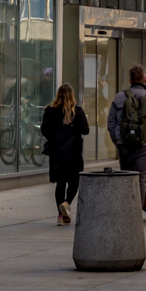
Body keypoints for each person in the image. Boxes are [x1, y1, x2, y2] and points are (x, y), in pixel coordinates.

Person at [107, 64, 146, 205]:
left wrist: (118, 140)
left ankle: (126, 211)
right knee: (140, 179)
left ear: (130, 80)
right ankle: (137, 213)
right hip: (145, 145)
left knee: (126, 178)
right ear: (145, 79)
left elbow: (111, 123)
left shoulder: (119, 97)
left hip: (124, 144)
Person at [42, 83, 90, 226]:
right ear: (72, 95)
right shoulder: (78, 112)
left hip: (57, 153)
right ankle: (67, 203)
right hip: (73, 153)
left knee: (60, 183)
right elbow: (86, 130)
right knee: (74, 182)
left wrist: (54, 138)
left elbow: (44, 130)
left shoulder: (49, 111)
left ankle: (60, 216)